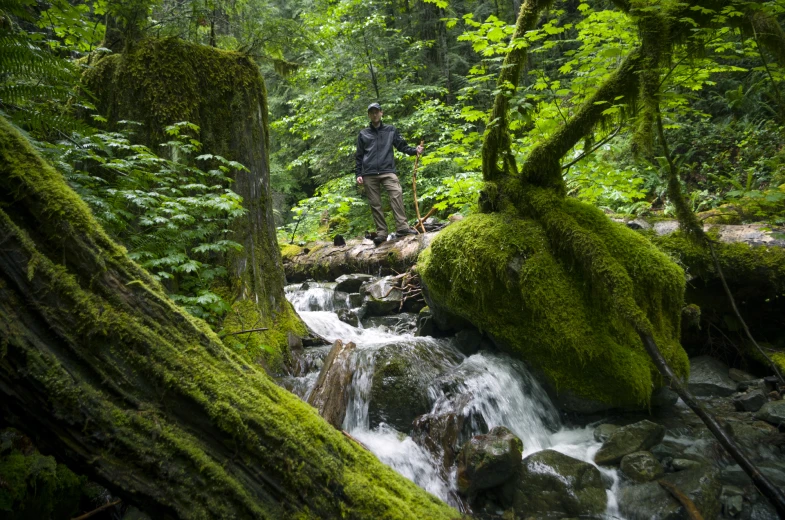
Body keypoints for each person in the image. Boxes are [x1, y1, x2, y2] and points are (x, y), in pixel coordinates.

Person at [356, 102, 424, 245]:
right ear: (369, 115)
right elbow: (359, 155)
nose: (374, 114)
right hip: (369, 173)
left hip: (388, 171)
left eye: (377, 112)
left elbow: (402, 146)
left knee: (396, 194)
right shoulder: (363, 134)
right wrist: (358, 173)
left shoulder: (390, 130)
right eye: (372, 112)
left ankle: (402, 227)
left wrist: (414, 150)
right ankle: (381, 233)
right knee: (375, 203)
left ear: (381, 113)